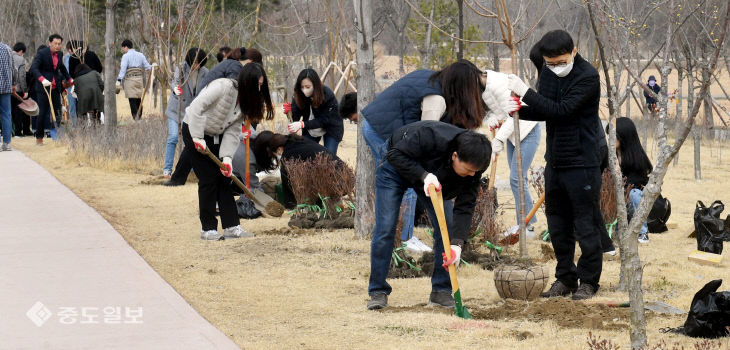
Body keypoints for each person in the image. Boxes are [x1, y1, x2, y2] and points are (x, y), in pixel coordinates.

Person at [361, 59, 514, 254]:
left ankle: (402, 238)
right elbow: (426, 140)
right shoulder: (436, 98)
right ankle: (405, 239)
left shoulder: (437, 81)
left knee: (410, 177)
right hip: (380, 128)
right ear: (463, 86)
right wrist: (428, 176)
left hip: (385, 123)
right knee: (405, 176)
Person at [503, 30, 604, 300]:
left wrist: (526, 92)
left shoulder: (588, 77)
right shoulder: (548, 73)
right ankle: (565, 278)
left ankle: (589, 281)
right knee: (557, 225)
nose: (555, 68)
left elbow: (563, 111)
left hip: (583, 163)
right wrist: (518, 108)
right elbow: (546, 108)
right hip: (556, 163)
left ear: (574, 51)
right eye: (550, 63)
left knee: (586, 225)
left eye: (560, 61)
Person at [366, 121, 492, 310]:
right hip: (397, 166)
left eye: (475, 172)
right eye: (466, 170)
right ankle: (378, 291)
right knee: (386, 226)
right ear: (454, 156)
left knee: (447, 228)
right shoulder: (430, 135)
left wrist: (457, 244)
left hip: (431, 178)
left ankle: (441, 291)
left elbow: (465, 206)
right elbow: (395, 155)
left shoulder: (474, 166)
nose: (470, 175)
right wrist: (424, 175)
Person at [181, 62, 273, 240]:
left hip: (216, 134)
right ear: (247, 81)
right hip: (193, 128)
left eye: (262, 85)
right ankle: (208, 229)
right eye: (258, 84)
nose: (260, 89)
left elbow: (232, 130)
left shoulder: (245, 102)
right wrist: (198, 137)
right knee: (208, 178)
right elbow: (197, 107)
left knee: (224, 178)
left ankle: (232, 226)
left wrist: (227, 158)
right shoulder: (223, 87)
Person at [163, 47, 262, 186]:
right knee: (193, 145)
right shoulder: (235, 68)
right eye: (255, 64)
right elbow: (233, 94)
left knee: (193, 147)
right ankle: (179, 178)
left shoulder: (231, 64)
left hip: (209, 109)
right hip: (207, 108)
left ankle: (179, 178)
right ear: (249, 61)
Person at [252, 131, 346, 208]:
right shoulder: (299, 142)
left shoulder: (288, 156)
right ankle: (332, 201)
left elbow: (287, 182)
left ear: (279, 149)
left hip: (335, 182)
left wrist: (290, 205)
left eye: (274, 152)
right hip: (344, 176)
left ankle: (330, 202)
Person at [162, 48, 209, 177]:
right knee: (173, 138)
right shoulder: (181, 68)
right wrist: (175, 88)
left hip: (191, 112)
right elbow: (175, 81)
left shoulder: (205, 72)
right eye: (194, 62)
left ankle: (191, 168)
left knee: (191, 141)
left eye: (199, 63)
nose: (196, 65)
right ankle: (167, 169)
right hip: (176, 109)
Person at [284, 69, 343, 155]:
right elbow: (294, 118)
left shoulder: (327, 94)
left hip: (331, 127)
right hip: (310, 129)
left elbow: (324, 120)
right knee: (307, 153)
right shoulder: (298, 95)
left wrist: (302, 124)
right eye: (302, 87)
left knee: (329, 157)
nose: (304, 90)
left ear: (315, 85)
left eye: (308, 87)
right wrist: (288, 112)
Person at [613, 117, 653, 243]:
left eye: (613, 135)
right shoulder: (609, 154)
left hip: (634, 202)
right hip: (616, 202)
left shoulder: (636, 158)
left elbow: (634, 184)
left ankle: (643, 232)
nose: (609, 139)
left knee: (634, 194)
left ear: (623, 136)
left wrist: (618, 173)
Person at [30, 34, 72, 145]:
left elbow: (61, 67)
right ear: (50, 43)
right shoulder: (42, 53)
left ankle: (57, 135)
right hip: (43, 87)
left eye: (59, 44)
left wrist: (69, 78)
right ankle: (39, 138)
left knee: (58, 111)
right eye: (55, 44)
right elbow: (34, 68)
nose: (57, 46)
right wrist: (42, 79)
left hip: (55, 87)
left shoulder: (59, 53)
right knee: (43, 112)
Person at [116, 39, 151, 119]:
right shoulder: (140, 55)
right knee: (138, 99)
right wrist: (154, 68)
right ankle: (140, 117)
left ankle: (135, 118)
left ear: (126, 47)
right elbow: (148, 67)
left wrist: (119, 80)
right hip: (139, 79)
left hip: (130, 79)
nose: (123, 50)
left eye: (123, 48)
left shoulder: (125, 56)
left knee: (132, 100)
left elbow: (123, 69)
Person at [11, 42, 32, 137]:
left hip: (7, 88)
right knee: (18, 110)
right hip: (18, 88)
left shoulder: (7, 56)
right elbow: (22, 76)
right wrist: (25, 90)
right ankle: (18, 132)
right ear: (21, 51)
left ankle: (8, 131)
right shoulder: (20, 59)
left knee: (9, 111)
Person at [0, 41, 16, 151]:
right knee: (6, 114)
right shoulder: (7, 49)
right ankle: (7, 143)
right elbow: (13, 68)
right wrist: (14, 83)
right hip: (6, 86)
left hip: (5, 86)